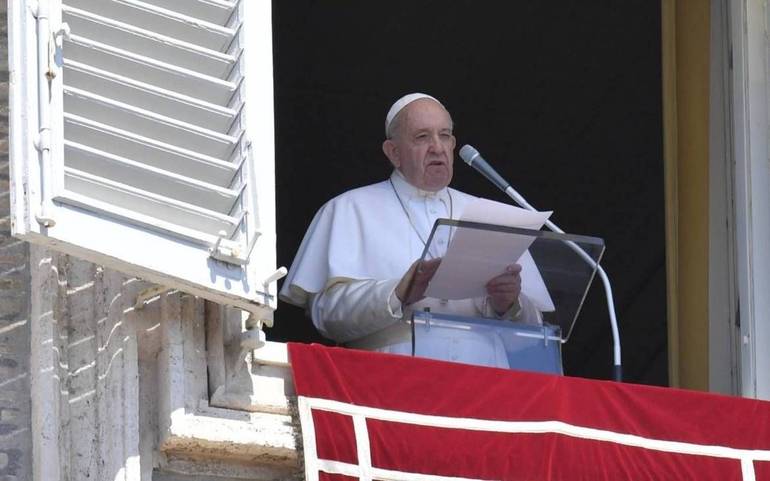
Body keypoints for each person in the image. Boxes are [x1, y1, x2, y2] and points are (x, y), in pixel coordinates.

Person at [280, 93, 542, 367]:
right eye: (422, 137)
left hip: (486, 382)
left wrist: (510, 304)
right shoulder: (349, 209)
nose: (437, 147)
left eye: (444, 136)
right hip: (393, 378)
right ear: (393, 152)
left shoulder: (493, 216)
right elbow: (326, 315)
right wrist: (399, 292)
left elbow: (537, 335)